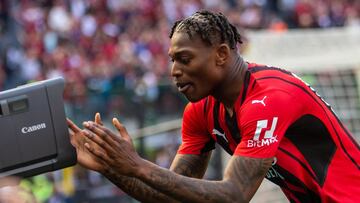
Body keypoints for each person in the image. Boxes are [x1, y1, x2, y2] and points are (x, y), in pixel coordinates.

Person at [67, 10, 360, 203]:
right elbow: (172, 195)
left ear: (221, 54)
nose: (174, 71)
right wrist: (109, 165)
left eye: (184, 59)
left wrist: (138, 165)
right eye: (172, 60)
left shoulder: (267, 99)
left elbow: (234, 195)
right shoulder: (201, 111)